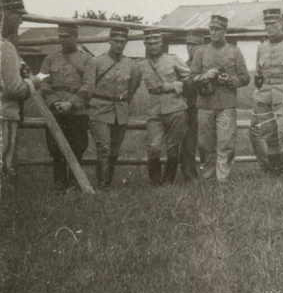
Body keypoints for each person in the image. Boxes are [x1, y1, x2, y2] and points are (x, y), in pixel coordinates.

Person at [191, 13, 251, 183]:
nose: (213, 32)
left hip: (226, 105)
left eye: (217, 29)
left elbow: (245, 77)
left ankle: (223, 180)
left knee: (226, 144)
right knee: (204, 145)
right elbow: (191, 77)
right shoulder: (201, 52)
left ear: (225, 31)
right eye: (211, 29)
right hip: (204, 104)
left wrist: (230, 81)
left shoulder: (235, 52)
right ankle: (209, 179)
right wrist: (204, 76)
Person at [83, 26, 141, 189]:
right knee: (104, 148)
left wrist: (123, 101)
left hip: (120, 111)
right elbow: (88, 86)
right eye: (116, 41)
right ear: (109, 41)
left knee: (114, 151)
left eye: (122, 42)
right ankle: (103, 187)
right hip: (99, 110)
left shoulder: (131, 65)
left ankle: (107, 182)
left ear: (126, 43)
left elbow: (132, 87)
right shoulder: (96, 62)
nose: (119, 45)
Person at [38, 23, 93, 192]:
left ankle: (75, 184)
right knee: (56, 149)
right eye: (60, 37)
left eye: (67, 37)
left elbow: (89, 86)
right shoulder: (50, 58)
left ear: (75, 37)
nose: (63, 40)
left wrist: (71, 103)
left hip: (77, 111)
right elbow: (43, 82)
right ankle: (60, 184)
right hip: (56, 111)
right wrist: (54, 101)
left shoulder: (86, 59)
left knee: (77, 147)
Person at [137, 27, 190, 185]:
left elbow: (191, 79)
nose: (153, 46)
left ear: (161, 43)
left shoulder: (173, 59)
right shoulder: (141, 65)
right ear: (145, 44)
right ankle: (155, 182)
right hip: (154, 110)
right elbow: (131, 84)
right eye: (149, 43)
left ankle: (168, 182)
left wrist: (174, 86)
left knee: (173, 147)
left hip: (175, 107)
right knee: (153, 147)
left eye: (156, 42)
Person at [251, 8, 283, 176]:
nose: (269, 27)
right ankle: (275, 171)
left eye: (273, 24)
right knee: (269, 135)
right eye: (266, 24)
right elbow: (258, 74)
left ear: (281, 23)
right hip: (264, 96)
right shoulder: (261, 48)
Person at [1, 0, 34, 190]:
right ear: (5, 13)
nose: (21, 19)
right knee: (4, 160)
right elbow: (14, 88)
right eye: (17, 14)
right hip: (4, 113)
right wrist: (31, 83)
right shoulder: (5, 48)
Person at [179, 29, 205, 182]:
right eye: (188, 45)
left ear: (201, 46)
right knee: (188, 145)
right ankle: (190, 178)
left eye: (194, 45)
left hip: (206, 108)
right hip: (189, 110)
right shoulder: (182, 66)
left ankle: (209, 176)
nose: (190, 48)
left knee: (207, 145)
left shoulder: (206, 64)